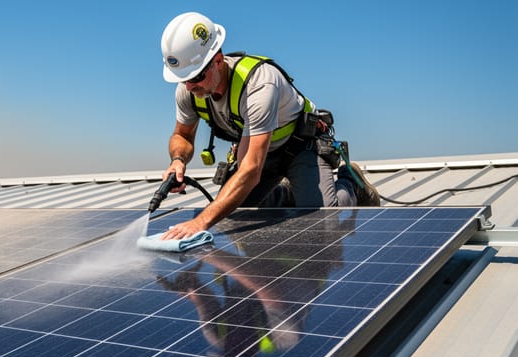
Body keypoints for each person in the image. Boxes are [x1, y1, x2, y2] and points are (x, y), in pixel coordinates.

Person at [158, 12, 379, 240]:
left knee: (322, 224)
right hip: (261, 151)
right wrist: (178, 160)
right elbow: (182, 135)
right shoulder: (188, 91)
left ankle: (351, 183)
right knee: (232, 216)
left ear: (218, 60)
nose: (189, 86)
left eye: (196, 77)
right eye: (183, 79)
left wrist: (200, 222)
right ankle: (287, 194)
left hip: (300, 147)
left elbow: (250, 170)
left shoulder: (259, 83)